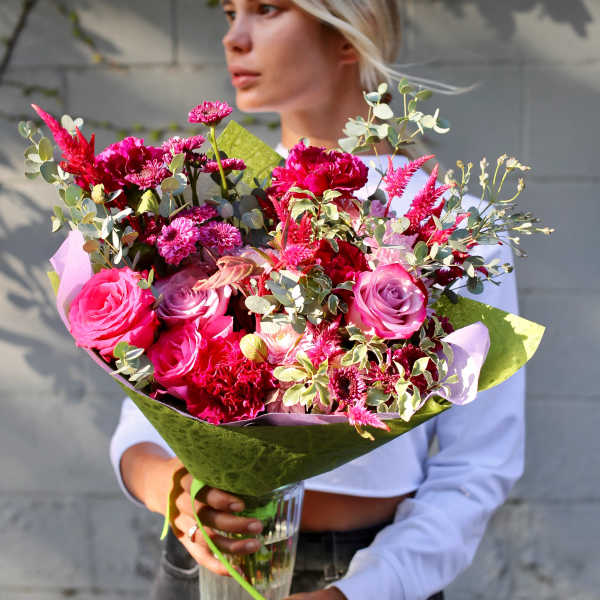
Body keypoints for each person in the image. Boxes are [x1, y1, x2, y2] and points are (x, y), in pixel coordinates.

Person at [110, 1, 525, 599]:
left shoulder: (456, 230)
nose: (234, 38)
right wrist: (177, 493)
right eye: (229, 13)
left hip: (367, 573)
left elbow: (479, 463)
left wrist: (362, 591)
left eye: (267, 9)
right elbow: (140, 424)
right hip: (203, 564)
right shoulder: (211, 208)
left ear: (348, 36)